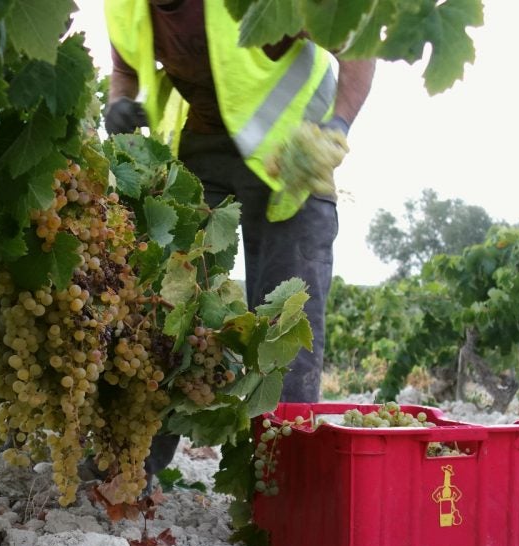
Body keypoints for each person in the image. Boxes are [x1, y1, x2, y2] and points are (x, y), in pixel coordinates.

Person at [102, 0, 375, 475]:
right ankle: (132, 467)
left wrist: (337, 125)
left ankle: (286, 480)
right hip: (202, 147)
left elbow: (360, 44)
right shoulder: (126, 8)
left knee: (286, 323)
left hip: (290, 157)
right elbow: (123, 69)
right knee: (163, 306)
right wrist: (119, 104)